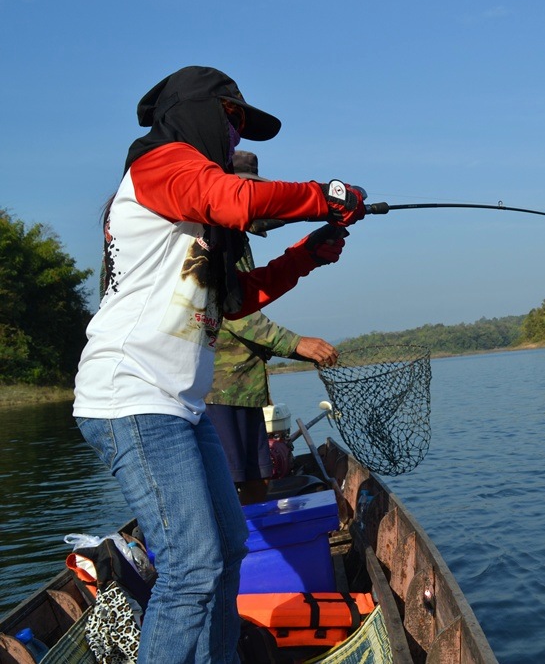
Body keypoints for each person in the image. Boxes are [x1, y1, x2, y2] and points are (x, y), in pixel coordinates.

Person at [73, 66, 366, 664]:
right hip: (130, 395)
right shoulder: (160, 163)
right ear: (199, 111)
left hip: (179, 404)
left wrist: (306, 254)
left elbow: (234, 300)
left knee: (228, 547)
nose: (237, 140)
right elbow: (233, 196)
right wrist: (322, 197)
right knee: (190, 564)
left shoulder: (198, 213)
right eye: (233, 122)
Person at [205, 150, 339, 506]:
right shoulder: (209, 239)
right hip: (216, 390)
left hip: (244, 387)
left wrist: (310, 249)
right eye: (245, 193)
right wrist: (298, 345)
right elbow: (234, 311)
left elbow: (248, 294)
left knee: (257, 479)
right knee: (230, 484)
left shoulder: (236, 238)